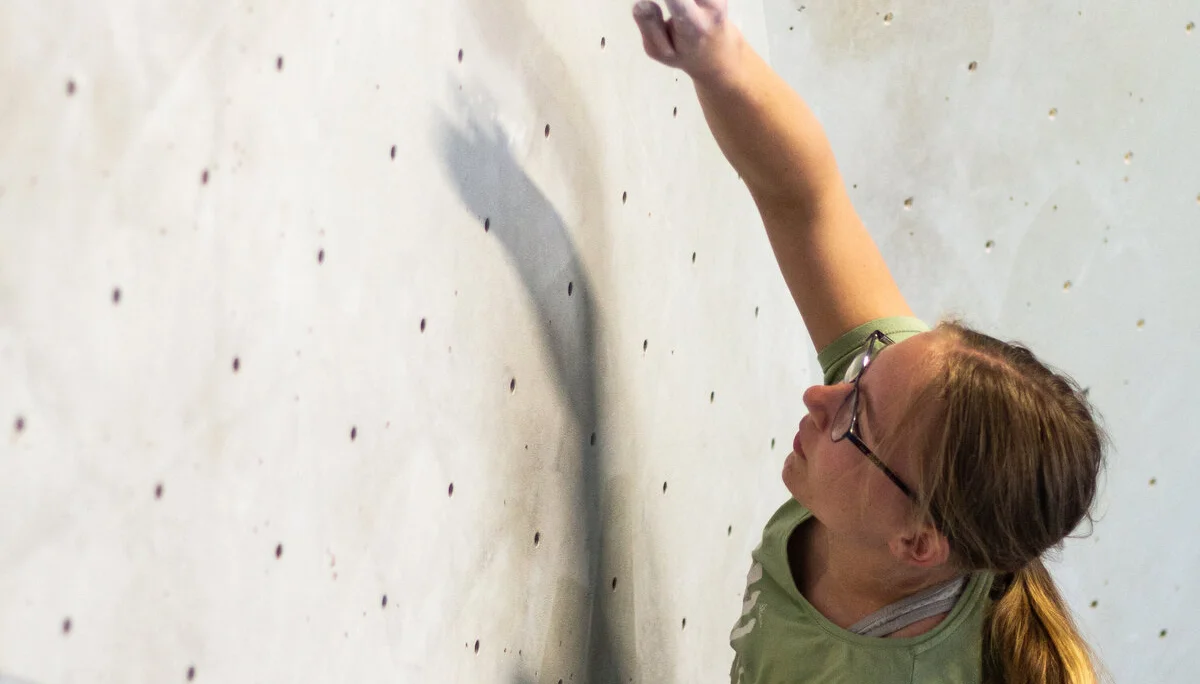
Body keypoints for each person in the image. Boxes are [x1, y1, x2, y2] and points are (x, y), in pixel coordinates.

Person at [631, 2, 1109, 683]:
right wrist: (720, 61)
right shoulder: (904, 426)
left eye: (856, 418)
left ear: (916, 541)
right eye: (862, 369)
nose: (821, 395)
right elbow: (805, 201)